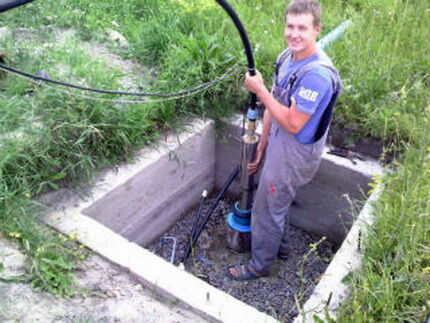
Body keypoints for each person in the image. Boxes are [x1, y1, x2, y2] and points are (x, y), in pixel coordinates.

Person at [227, 0, 341, 280]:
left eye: (302, 27)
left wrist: (260, 89)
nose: (294, 33)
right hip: (279, 141)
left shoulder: (316, 76)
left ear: (317, 30)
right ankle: (283, 247)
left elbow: (292, 122)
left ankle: (259, 266)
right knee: (276, 199)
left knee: (267, 208)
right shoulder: (287, 57)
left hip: (295, 152)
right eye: (290, 26)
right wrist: (263, 144)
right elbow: (276, 105)